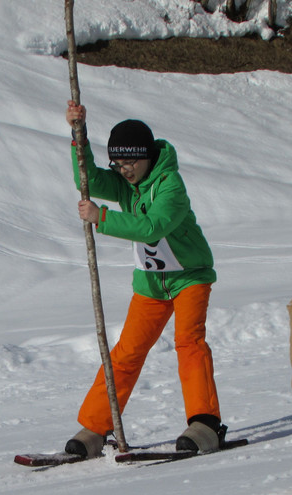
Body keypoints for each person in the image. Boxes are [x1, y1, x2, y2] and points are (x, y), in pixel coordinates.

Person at [64, 100, 226, 458]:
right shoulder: (128, 185)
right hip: (152, 283)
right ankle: (96, 426)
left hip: (189, 277)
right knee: (126, 352)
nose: (124, 171)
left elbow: (153, 227)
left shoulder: (171, 186)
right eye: (118, 165)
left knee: (188, 343)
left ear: (147, 157)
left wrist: (102, 218)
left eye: (130, 163)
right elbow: (86, 179)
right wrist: (79, 136)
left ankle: (205, 424)